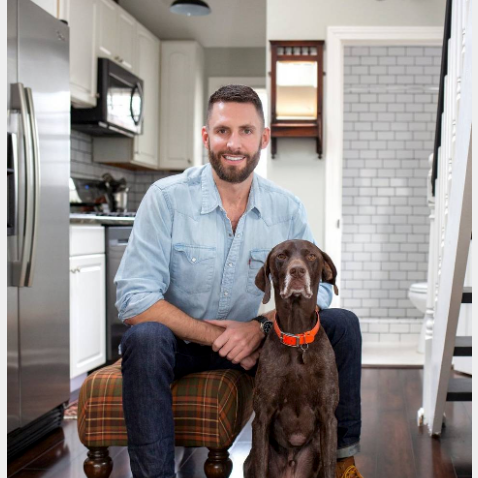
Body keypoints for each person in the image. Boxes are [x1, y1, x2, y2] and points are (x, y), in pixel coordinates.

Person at [115, 84, 363, 478]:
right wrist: (218, 337)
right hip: (180, 344)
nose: (234, 143)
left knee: (343, 324)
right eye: (223, 131)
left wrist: (260, 327)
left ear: (263, 138)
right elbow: (134, 299)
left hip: (263, 344)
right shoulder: (166, 198)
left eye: (246, 131)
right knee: (143, 338)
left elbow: (322, 291)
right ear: (206, 136)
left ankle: (342, 460)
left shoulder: (286, 208)